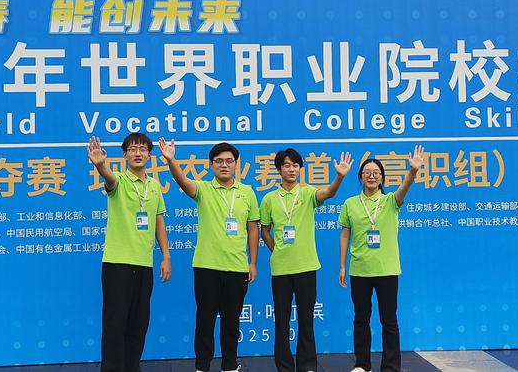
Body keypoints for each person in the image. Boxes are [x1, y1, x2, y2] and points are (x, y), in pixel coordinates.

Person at [159, 138, 260, 372]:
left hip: (237, 267)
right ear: (211, 165)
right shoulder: (203, 189)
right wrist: (171, 160)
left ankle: (229, 365)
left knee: (232, 321)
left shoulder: (247, 192)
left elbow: (253, 229)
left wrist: (253, 262)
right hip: (207, 267)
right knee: (205, 320)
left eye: (229, 161)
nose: (224, 165)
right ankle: (202, 366)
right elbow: (182, 181)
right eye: (219, 161)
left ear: (236, 164)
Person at [260, 148, 352, 372]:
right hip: (281, 269)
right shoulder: (269, 199)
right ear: (279, 169)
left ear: (300, 169)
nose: (291, 169)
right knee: (281, 321)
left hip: (307, 266)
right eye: (286, 165)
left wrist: (339, 176)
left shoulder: (308, 193)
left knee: (306, 320)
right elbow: (264, 231)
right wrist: (276, 250)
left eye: (295, 165)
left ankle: (307, 366)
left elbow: (328, 192)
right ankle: (284, 366)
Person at [87, 133, 172, 372]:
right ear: (124, 155)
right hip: (117, 264)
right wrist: (100, 165)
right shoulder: (119, 181)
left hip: (144, 264)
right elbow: (109, 179)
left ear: (149, 155)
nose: (138, 153)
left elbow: (158, 222)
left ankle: (132, 366)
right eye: (133, 149)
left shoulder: (154, 186)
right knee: (115, 324)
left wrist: (166, 256)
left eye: (143, 149)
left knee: (138, 324)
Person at [337, 146, 425, 372]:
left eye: (376, 172)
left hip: (387, 270)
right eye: (367, 172)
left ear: (382, 178)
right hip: (360, 270)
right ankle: (362, 365)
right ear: (360, 177)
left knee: (389, 321)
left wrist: (413, 171)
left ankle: (391, 366)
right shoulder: (350, 204)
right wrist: (342, 266)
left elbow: (404, 188)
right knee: (361, 320)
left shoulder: (390, 201)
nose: (372, 176)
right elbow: (345, 235)